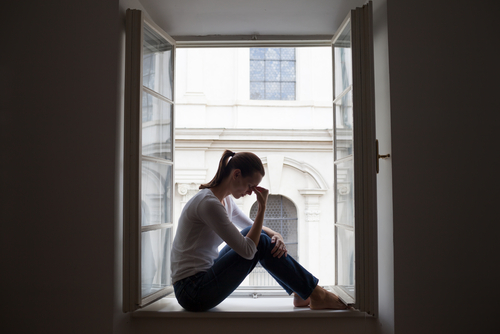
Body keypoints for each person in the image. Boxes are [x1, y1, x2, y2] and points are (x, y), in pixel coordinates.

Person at [171, 150, 350, 312]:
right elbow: (249, 251)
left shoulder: (225, 200)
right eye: (250, 186)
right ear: (236, 174)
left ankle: (302, 292)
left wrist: (275, 234)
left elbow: (250, 226)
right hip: (192, 291)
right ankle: (316, 294)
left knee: (257, 235)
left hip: (202, 279)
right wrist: (262, 207)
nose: (250, 192)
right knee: (260, 242)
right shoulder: (209, 204)